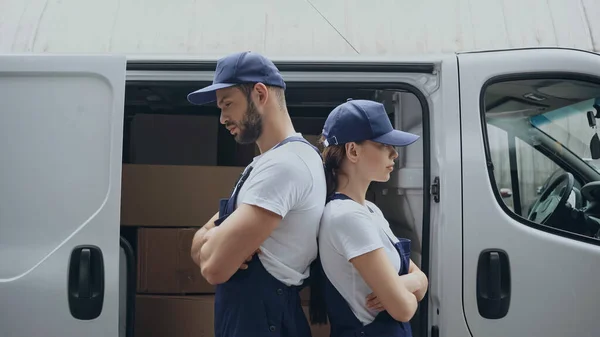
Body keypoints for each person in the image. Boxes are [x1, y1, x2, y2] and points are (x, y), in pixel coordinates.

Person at [187, 51, 327, 337]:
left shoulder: (285, 166)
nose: (223, 118)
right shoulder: (270, 162)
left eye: (228, 104)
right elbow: (197, 248)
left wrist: (215, 241)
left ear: (260, 94)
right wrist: (214, 242)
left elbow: (212, 267)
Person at [310, 99, 429, 337]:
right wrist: (410, 287)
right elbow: (404, 309)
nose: (395, 153)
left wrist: (406, 284)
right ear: (353, 150)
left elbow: (422, 280)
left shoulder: (370, 211)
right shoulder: (347, 217)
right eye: (385, 145)